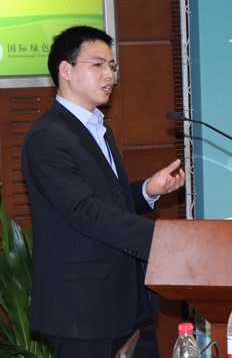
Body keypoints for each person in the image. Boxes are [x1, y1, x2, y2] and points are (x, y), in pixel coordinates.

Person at [22, 25, 186, 358]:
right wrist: (166, 238)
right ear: (66, 70)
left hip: (127, 302)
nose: (109, 74)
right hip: (82, 312)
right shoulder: (47, 137)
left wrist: (146, 191)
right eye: (97, 64)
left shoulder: (98, 129)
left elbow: (105, 199)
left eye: (111, 65)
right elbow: (85, 212)